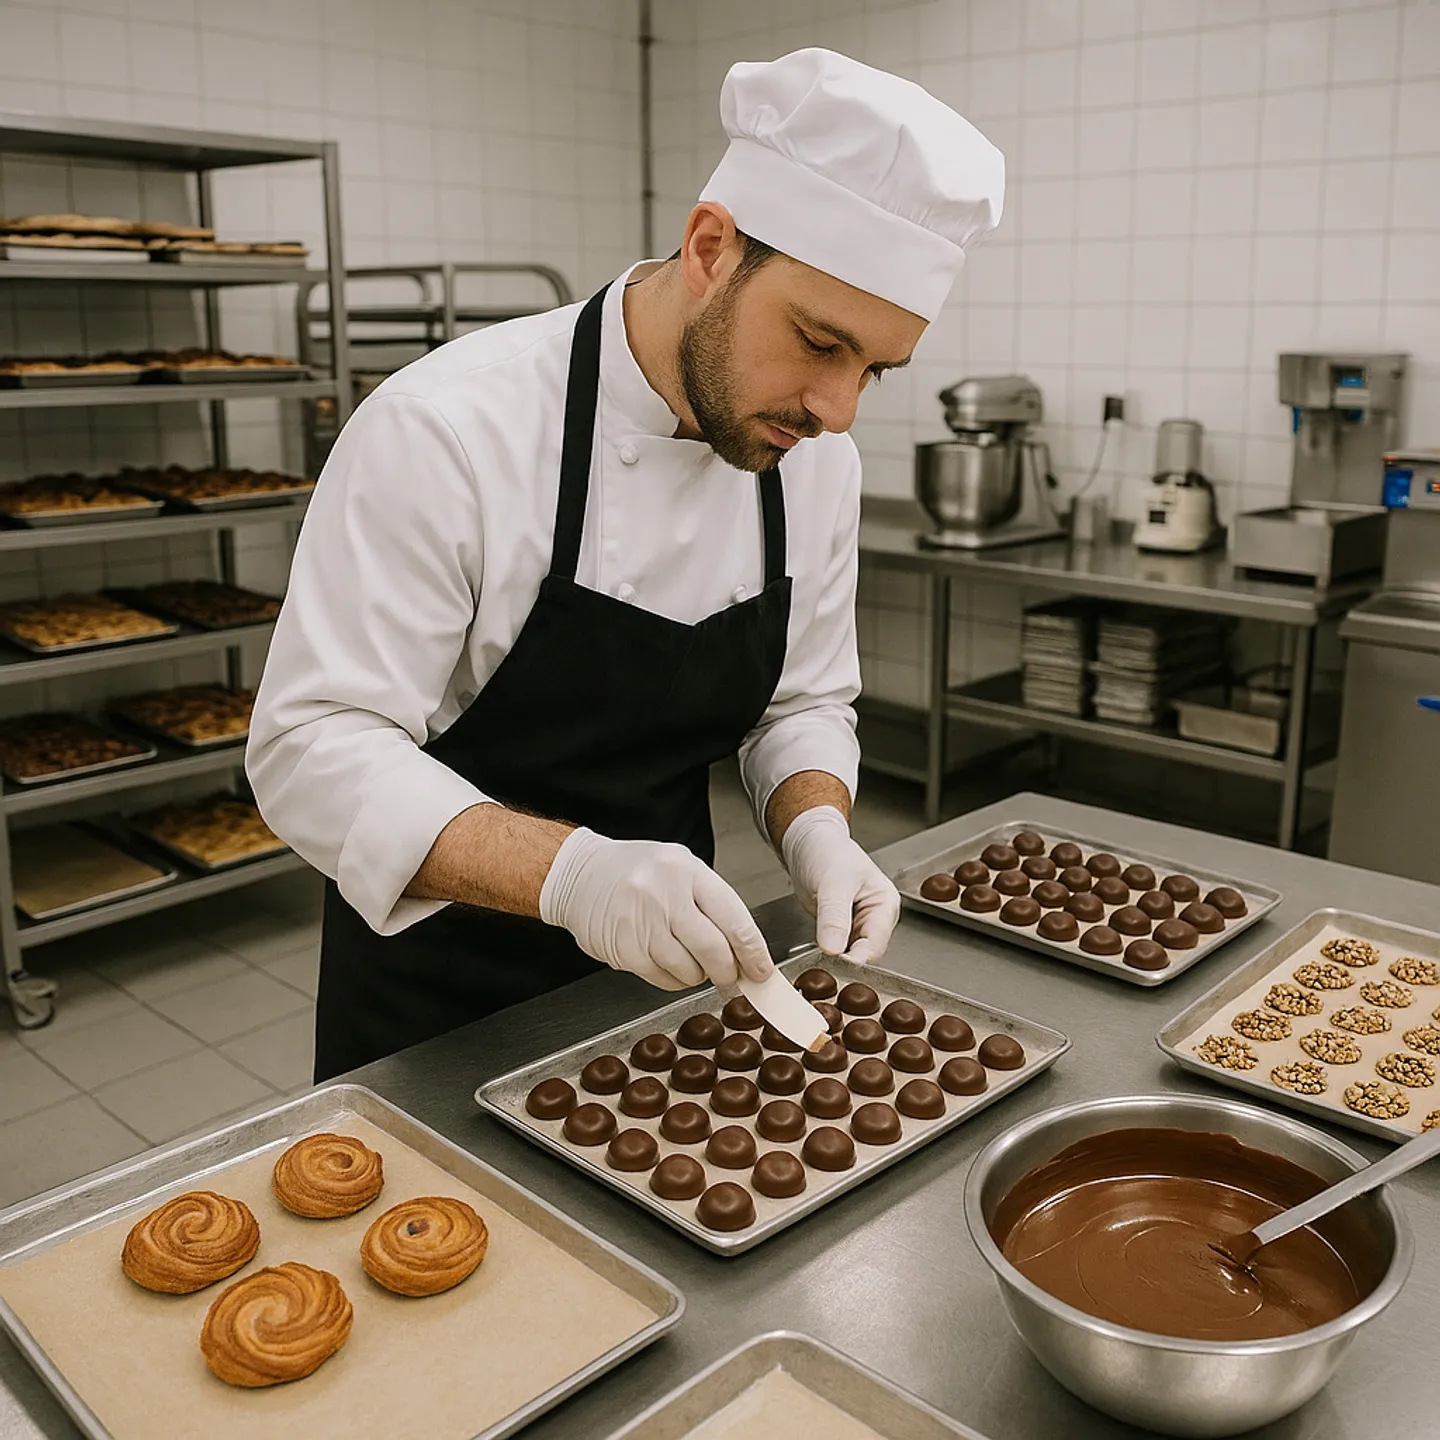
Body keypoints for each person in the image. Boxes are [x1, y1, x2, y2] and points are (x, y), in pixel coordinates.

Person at [247, 48, 1005, 1081]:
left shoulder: (809, 457)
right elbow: (310, 748)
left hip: (667, 1002)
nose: (839, 409)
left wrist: (818, 827)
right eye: (820, 343)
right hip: (435, 1003)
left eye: (874, 368)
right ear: (709, 247)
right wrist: (576, 876)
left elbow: (801, 703)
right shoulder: (448, 430)